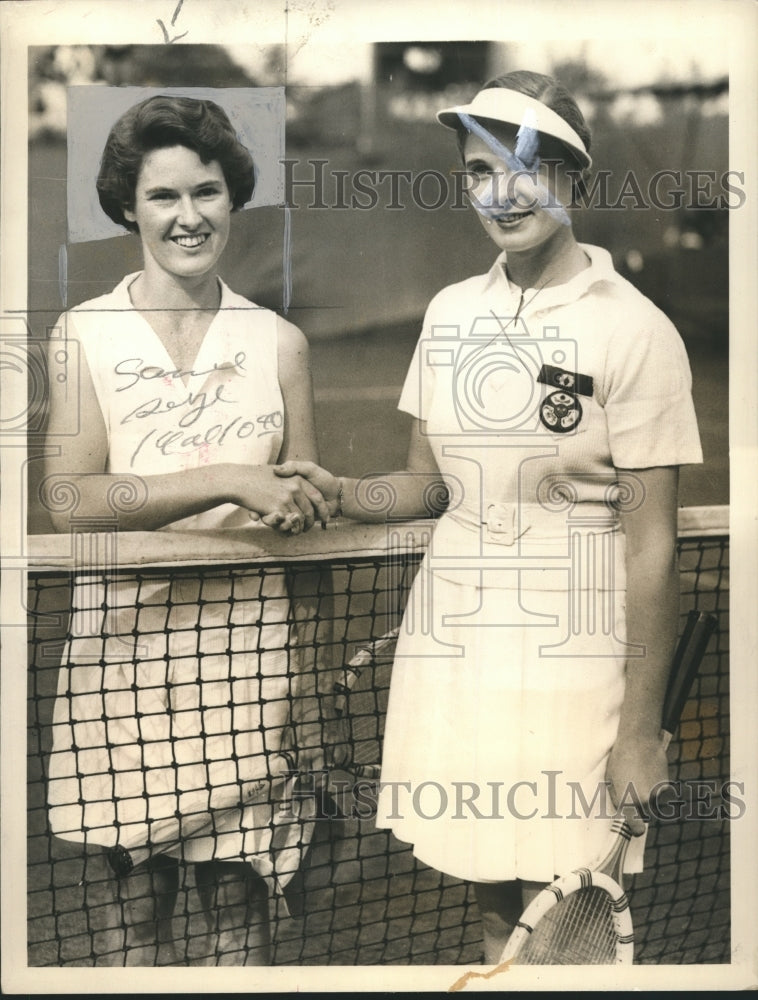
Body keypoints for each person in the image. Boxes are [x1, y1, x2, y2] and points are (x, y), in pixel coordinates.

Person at [274, 70, 703, 964]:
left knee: (572, 919)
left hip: (577, 665)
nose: (501, 192)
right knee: (489, 905)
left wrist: (638, 731)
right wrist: (340, 492)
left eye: (524, 167)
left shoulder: (638, 332)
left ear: (573, 174)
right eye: (478, 170)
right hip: (456, 643)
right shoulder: (450, 312)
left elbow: (653, 548)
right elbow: (429, 484)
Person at [43, 94, 330, 966]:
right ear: (128, 206)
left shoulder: (279, 344)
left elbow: (308, 526)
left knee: (240, 923)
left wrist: (309, 696)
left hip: (250, 662)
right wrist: (227, 479)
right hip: (121, 667)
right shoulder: (81, 335)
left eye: (207, 191)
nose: (188, 216)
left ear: (233, 199)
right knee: (132, 922)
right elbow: (70, 501)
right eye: (163, 196)